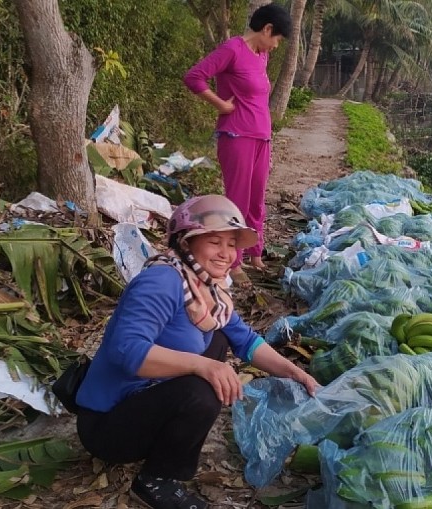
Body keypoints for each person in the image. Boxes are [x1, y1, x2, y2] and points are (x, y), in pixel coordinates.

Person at [75, 195, 319, 509]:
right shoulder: (161, 281)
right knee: (201, 391)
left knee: (217, 338)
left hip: (146, 399)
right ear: (185, 243)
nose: (226, 254)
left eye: (231, 244)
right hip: (107, 426)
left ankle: (173, 430)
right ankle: (156, 481)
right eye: (215, 242)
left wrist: (296, 373)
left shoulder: (205, 287)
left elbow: (246, 341)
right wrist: (202, 366)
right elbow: (127, 351)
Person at [183, 4, 293, 285]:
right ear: (267, 29)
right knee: (238, 200)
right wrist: (221, 105)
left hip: (261, 137)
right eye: (277, 39)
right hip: (237, 136)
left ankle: (255, 253)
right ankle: (234, 262)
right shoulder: (232, 49)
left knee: (257, 199)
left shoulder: (262, 55)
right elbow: (194, 77)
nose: (276, 45)